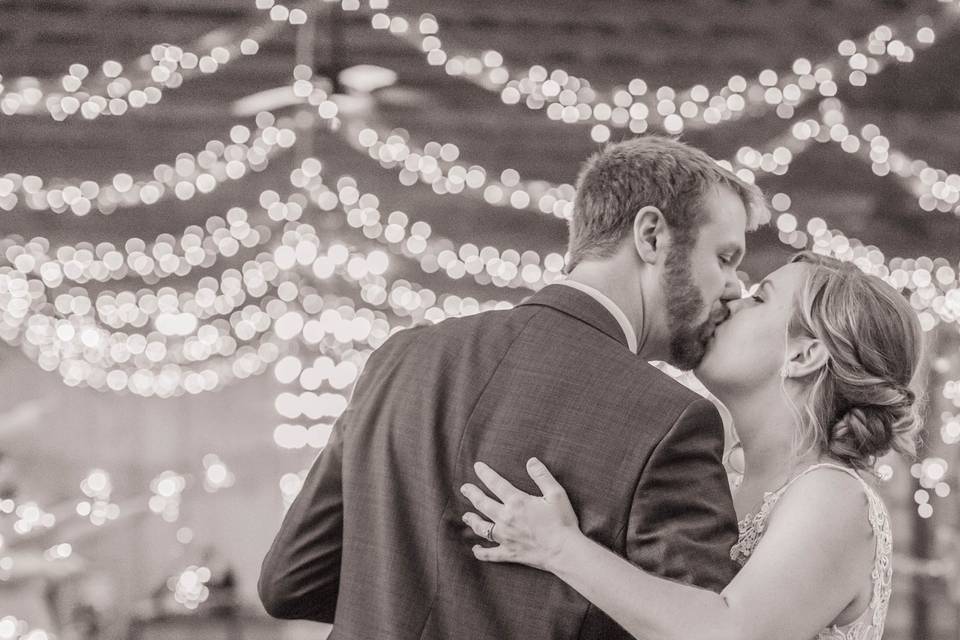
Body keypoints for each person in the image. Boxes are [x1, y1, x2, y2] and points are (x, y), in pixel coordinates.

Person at [257, 135, 767, 638]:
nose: (735, 286)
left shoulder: (399, 358)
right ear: (652, 236)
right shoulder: (671, 419)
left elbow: (289, 583)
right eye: (724, 257)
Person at [461, 251, 922, 640]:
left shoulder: (834, 495)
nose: (732, 302)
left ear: (804, 355)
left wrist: (560, 547)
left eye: (759, 299)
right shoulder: (722, 471)